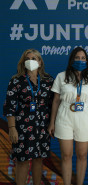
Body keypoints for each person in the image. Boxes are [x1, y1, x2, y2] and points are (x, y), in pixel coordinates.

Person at [48, 47, 88, 185]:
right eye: (77, 58)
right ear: (71, 60)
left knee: (82, 155)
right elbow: (56, 100)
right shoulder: (61, 76)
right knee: (66, 156)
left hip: (84, 118)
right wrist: (51, 122)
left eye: (83, 58)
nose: (80, 60)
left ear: (86, 61)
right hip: (64, 117)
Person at [3, 49, 54, 185]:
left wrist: (53, 124)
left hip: (42, 126)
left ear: (40, 62)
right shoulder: (16, 81)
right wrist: (12, 128)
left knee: (39, 159)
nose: (31, 61)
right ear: (23, 62)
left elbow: (54, 104)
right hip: (23, 127)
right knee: (23, 160)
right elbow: (9, 106)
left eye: (34, 58)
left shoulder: (48, 81)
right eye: (28, 59)